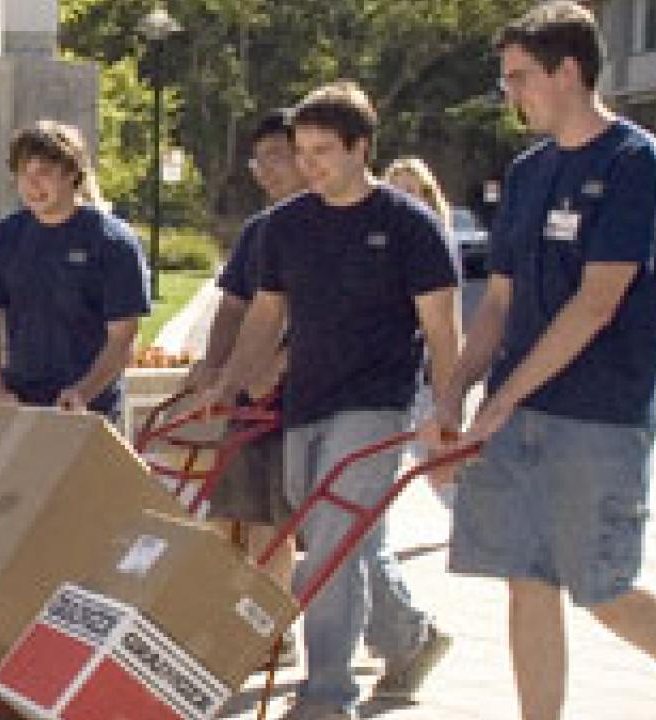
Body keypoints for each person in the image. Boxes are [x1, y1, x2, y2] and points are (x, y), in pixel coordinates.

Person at [423, 4, 656, 720]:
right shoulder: (530, 170)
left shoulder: (636, 163)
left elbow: (597, 302)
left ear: (568, 72)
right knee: (524, 578)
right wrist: (455, 395)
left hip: (600, 414)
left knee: (601, 583)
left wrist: (501, 403)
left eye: (520, 78)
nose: (511, 94)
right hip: (517, 412)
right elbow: (499, 301)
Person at [198, 81, 459, 720]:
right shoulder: (285, 227)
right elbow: (264, 315)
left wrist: (449, 413)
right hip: (305, 401)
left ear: (361, 148)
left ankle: (326, 695)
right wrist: (228, 382)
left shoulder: (407, 227)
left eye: (323, 151)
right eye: (302, 150)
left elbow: (442, 331)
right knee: (333, 534)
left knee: (337, 531)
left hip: (378, 402)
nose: (309, 163)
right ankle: (409, 637)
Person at [184, 108, 306, 665]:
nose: (267, 170)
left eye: (278, 156)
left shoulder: (328, 223)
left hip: (309, 399)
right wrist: (215, 366)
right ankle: (267, 632)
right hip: (250, 402)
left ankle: (400, 629)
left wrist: (276, 366)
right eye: (259, 160)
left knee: (299, 527)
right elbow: (232, 307)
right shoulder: (260, 232)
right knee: (253, 516)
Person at [0, 119, 150, 423]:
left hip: (91, 412)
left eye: (44, 173)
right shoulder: (4, 238)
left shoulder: (113, 242)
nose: (32, 185)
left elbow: (123, 338)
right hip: (20, 405)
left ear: (72, 174)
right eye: (24, 174)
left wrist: (83, 393)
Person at [382, 156, 463, 505]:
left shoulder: (436, 242)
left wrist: (448, 392)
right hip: (387, 377)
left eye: (412, 192)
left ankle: (470, 526)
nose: (405, 200)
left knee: (440, 464)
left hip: (427, 376)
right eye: (396, 191)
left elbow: (447, 322)